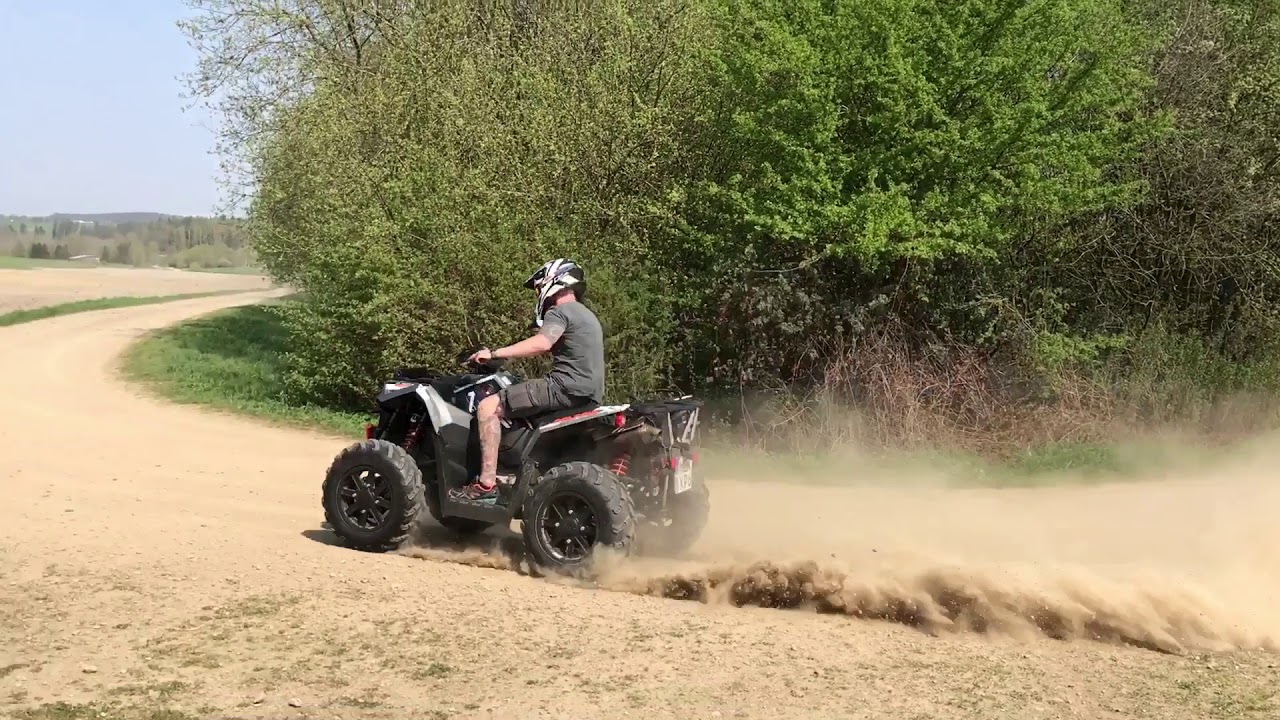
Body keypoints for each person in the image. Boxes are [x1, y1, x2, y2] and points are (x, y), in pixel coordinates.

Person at [449, 258, 606, 504]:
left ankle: (486, 485)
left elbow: (542, 343)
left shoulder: (560, 311)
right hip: (589, 393)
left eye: (537, 287)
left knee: (488, 406)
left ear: (553, 281)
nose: (537, 293)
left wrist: (494, 353)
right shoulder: (587, 315)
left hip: (563, 387)